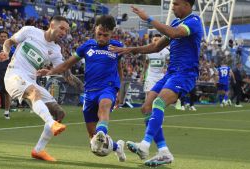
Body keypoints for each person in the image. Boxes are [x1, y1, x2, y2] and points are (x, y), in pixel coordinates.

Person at [110, 0, 203, 167]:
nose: (172, 7)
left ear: (188, 6)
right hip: (171, 73)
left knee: (158, 102)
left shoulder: (194, 22)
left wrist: (149, 19)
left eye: (176, 3)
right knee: (146, 107)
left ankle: (145, 145)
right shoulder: (175, 23)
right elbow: (156, 47)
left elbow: (174, 34)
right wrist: (130, 50)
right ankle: (163, 151)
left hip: (185, 73)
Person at [37, 15, 126, 162]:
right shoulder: (86, 46)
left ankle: (102, 131)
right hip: (90, 92)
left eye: (106, 35)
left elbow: (119, 69)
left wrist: (119, 91)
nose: (102, 38)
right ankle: (117, 146)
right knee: (94, 143)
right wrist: (50, 72)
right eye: (99, 34)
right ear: (95, 30)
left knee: (104, 106)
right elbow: (67, 64)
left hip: (108, 88)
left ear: (112, 33)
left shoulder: (118, 47)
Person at [0, 15, 77, 162]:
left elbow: (66, 72)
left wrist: (86, 86)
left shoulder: (56, 50)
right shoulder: (30, 31)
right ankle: (51, 124)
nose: (64, 32)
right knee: (35, 92)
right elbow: (9, 41)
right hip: (14, 75)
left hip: (30, 80)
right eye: (62, 28)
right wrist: (6, 53)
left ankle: (38, 150)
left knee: (59, 113)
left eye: (66, 30)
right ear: (52, 25)